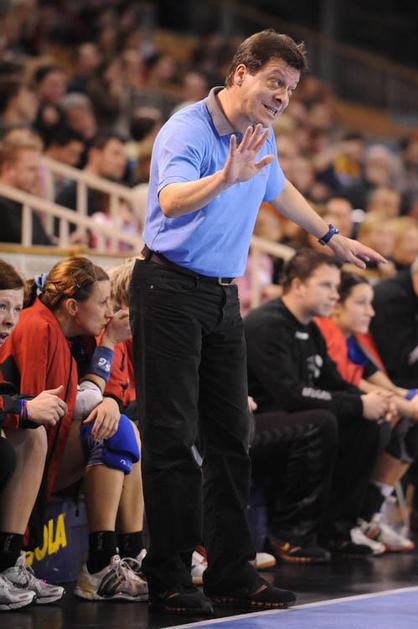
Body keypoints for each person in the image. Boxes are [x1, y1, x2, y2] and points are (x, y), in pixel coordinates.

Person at [129, 30, 385, 616]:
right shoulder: (188, 128)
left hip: (223, 297)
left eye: (290, 88)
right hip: (168, 289)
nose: (282, 96)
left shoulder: (261, 134)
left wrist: (330, 236)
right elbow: (169, 200)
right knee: (173, 439)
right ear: (241, 72)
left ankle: (231, 572)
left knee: (231, 438)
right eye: (275, 82)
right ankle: (169, 577)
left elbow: (279, 187)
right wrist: (225, 176)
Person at [0, 256, 147, 603]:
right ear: (72, 306)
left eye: (14, 308)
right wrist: (107, 356)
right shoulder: (38, 327)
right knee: (109, 431)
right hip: (29, 445)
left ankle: (124, 556)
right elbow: (44, 409)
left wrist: (109, 400)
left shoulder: (77, 334)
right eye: (102, 302)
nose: (109, 312)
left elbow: (106, 390)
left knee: (124, 430)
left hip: (40, 444)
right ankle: (91, 564)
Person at [244, 249, 394, 556]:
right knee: (320, 422)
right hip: (250, 426)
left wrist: (371, 400)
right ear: (298, 285)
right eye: (326, 285)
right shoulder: (267, 324)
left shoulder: (310, 327)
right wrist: (358, 403)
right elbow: (291, 394)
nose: (335, 295)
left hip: (288, 419)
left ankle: (336, 531)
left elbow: (332, 381)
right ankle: (288, 533)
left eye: (336, 287)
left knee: (364, 422)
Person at [315, 271, 417, 552]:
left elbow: (374, 376)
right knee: (380, 423)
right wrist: (407, 406)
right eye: (362, 303)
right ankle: (349, 522)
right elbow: (349, 383)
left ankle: (369, 516)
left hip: (347, 403)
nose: (371, 312)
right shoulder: (325, 332)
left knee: (405, 423)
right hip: (329, 410)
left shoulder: (353, 338)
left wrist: (408, 397)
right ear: (337, 306)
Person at [0, 258, 68, 610]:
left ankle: (8, 561)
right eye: (1, 307)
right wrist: (23, 408)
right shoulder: (40, 328)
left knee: (32, 435)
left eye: (15, 308)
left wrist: (25, 408)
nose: (10, 319)